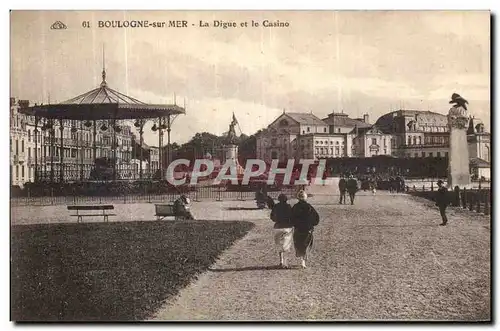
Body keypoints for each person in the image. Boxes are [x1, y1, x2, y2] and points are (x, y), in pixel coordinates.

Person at [291, 190, 320, 269]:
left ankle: (302, 259)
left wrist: (295, 224)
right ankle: (303, 261)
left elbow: (291, 218)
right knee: (306, 245)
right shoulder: (309, 207)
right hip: (308, 229)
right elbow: (316, 218)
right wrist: (311, 224)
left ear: (298, 198)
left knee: (299, 244)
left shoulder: (295, 207)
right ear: (305, 197)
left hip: (298, 229)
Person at [270, 194, 294, 268]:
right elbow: (292, 216)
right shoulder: (289, 207)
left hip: (278, 226)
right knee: (286, 245)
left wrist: (276, 220)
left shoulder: (276, 206)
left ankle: (281, 262)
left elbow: (272, 217)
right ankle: (286, 263)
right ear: (286, 200)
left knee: (279, 245)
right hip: (287, 227)